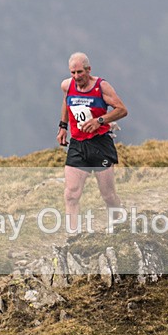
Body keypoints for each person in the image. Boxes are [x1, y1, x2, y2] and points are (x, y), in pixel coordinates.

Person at [57, 52, 128, 234]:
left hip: (100, 144)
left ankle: (120, 224)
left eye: (80, 72)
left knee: (108, 196)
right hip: (78, 144)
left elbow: (122, 110)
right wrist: (63, 126)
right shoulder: (67, 85)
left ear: (88, 70)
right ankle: (72, 237)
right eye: (73, 72)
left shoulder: (101, 87)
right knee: (71, 194)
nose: (76, 77)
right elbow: (67, 101)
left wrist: (100, 121)